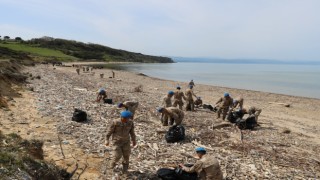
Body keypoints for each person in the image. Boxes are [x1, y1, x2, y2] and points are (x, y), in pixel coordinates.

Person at [106, 111, 136, 177]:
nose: (125, 120)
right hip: (116, 142)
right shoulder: (115, 122)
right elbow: (109, 132)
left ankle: (125, 170)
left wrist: (134, 140)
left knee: (126, 156)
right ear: (121, 117)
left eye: (126, 118)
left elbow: (132, 132)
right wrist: (107, 140)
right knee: (117, 155)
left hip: (126, 142)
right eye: (123, 118)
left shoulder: (130, 123)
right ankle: (111, 166)